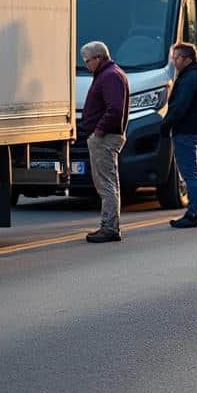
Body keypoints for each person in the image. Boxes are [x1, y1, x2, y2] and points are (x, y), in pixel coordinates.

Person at [79, 40, 129, 243]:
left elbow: (115, 109)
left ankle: (109, 227)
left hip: (106, 138)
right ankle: (109, 225)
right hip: (105, 136)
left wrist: (98, 131)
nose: (86, 65)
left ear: (99, 58)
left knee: (106, 184)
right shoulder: (108, 74)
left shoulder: (110, 76)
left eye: (88, 60)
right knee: (108, 183)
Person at [160, 43, 197, 228]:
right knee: (192, 173)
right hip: (190, 129)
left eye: (176, 57)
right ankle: (195, 211)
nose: (174, 61)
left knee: (189, 173)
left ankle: (194, 213)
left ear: (187, 58)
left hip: (185, 131)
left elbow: (180, 106)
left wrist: (165, 125)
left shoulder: (191, 77)